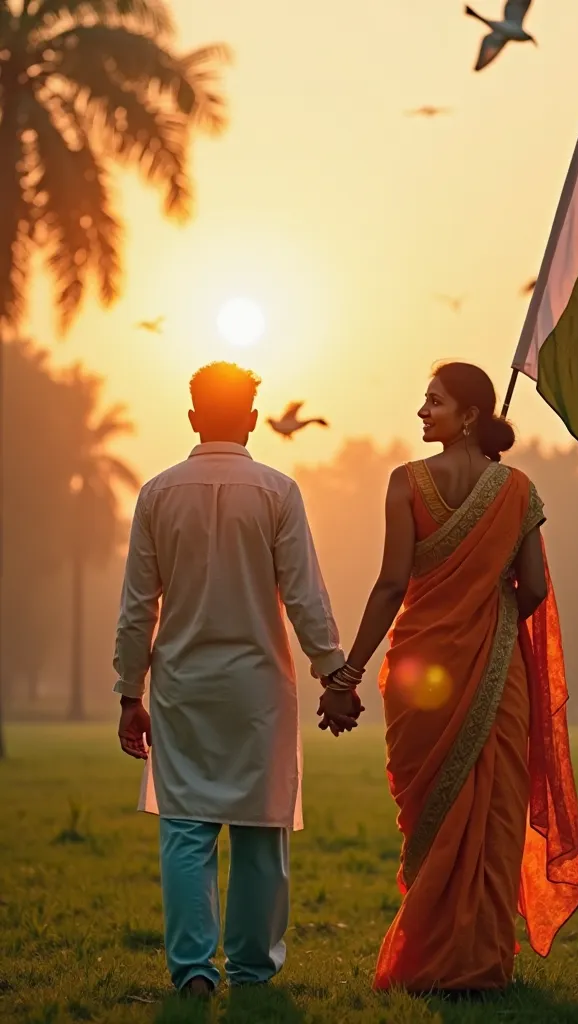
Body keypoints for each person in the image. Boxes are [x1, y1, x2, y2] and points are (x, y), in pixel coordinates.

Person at [322, 362, 578, 994]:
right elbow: (535, 588)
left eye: (434, 401)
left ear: (469, 415)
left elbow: (391, 584)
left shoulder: (404, 483)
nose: (421, 411)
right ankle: (482, 967)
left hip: (420, 675)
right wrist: (488, 618)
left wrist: (347, 673)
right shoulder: (518, 489)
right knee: (491, 817)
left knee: (444, 818)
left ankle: (434, 963)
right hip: (499, 675)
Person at [113, 361, 360, 997]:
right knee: (260, 828)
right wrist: (334, 671)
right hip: (259, 691)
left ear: (192, 418)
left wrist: (127, 694)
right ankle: (252, 972)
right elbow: (304, 595)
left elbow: (139, 606)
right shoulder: (278, 492)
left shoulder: (158, 494)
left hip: (182, 689)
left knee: (186, 828)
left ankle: (193, 971)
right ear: (253, 420)